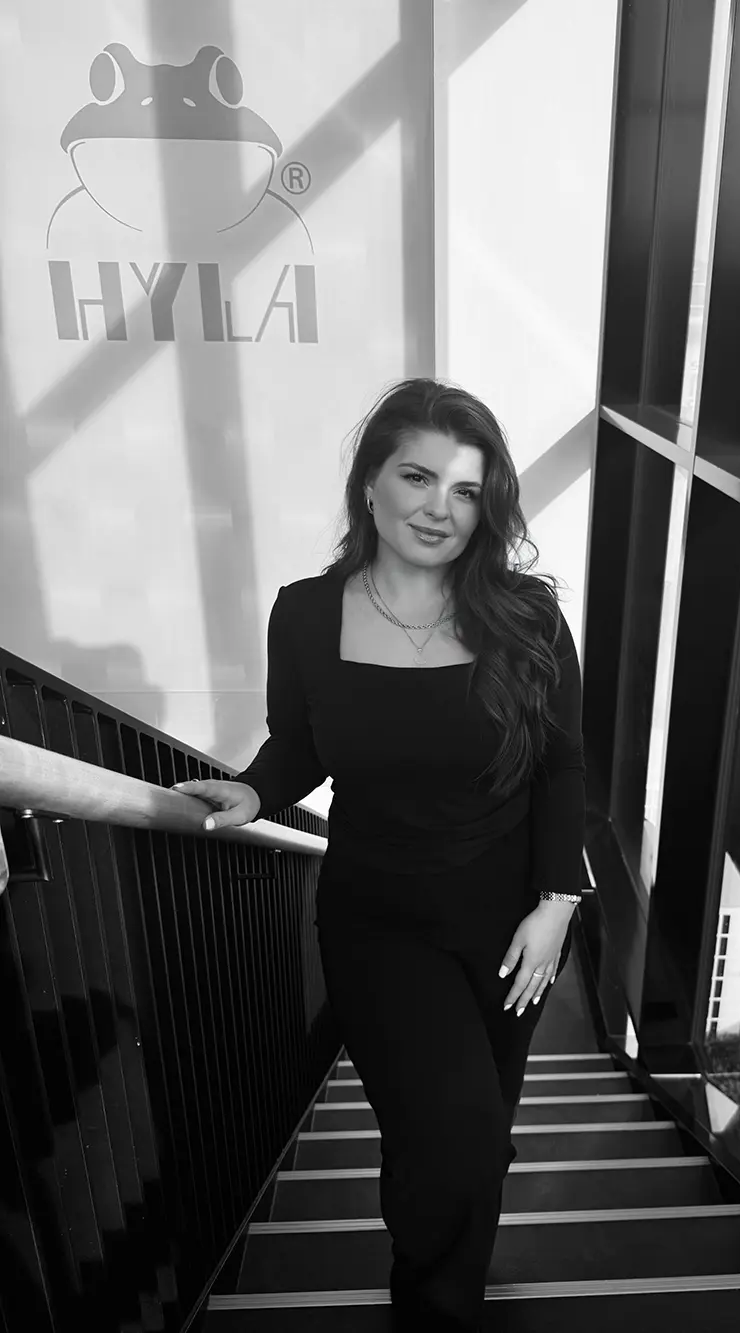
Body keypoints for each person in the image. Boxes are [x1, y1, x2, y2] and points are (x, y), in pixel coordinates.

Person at [170, 378, 586, 1331]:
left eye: (467, 489)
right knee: (461, 1137)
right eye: (418, 477)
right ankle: (436, 1308)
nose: (441, 508)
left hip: (510, 921)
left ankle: (435, 1265)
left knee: (465, 1134)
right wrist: (256, 790)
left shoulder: (526, 614)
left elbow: (563, 764)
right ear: (370, 483)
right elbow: (299, 742)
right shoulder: (306, 614)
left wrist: (557, 902)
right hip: (379, 919)